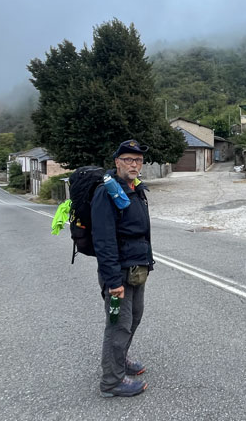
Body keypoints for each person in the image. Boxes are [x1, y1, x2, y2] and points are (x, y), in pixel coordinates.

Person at [91, 139, 154, 398]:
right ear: (117, 162)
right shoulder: (106, 193)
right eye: (128, 159)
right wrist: (113, 281)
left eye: (138, 160)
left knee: (134, 317)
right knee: (118, 324)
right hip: (118, 274)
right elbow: (103, 240)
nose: (134, 164)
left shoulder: (135, 189)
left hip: (137, 269)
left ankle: (120, 360)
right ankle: (111, 381)